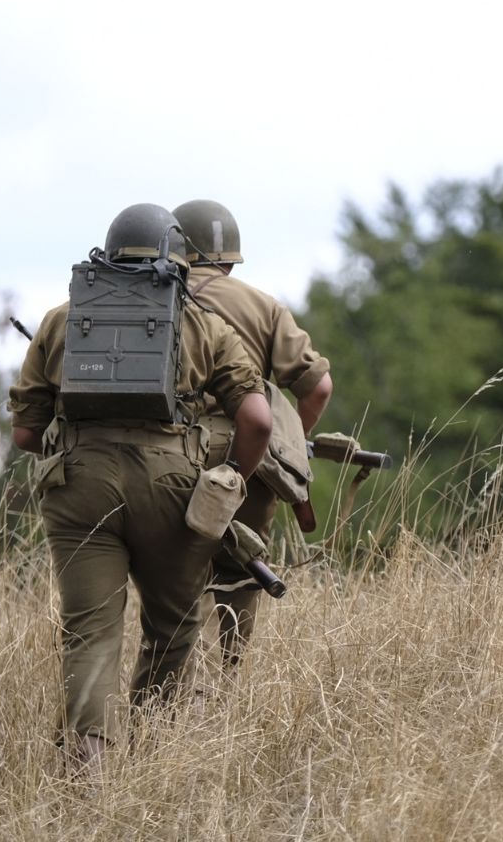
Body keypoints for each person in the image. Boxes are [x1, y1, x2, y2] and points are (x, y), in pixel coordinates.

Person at [8, 203, 273, 774]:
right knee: (174, 626)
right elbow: (257, 419)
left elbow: (26, 432)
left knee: (90, 633)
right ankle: (155, 767)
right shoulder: (204, 323)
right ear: (177, 259)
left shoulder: (63, 318)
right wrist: (232, 481)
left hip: (79, 489)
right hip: (174, 490)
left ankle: (90, 768)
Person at [171, 198, 333, 664]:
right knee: (242, 572)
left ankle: (181, 693)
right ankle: (227, 693)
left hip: (172, 455)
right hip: (249, 456)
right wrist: (275, 446)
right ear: (228, 258)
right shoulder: (264, 307)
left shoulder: (162, 300)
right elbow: (318, 387)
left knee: (181, 574)